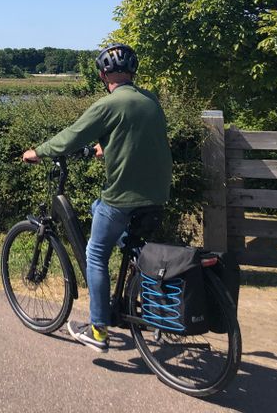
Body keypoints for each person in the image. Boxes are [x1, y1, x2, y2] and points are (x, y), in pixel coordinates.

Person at [22, 43, 172, 353]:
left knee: (95, 252)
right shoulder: (150, 100)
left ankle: (98, 329)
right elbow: (140, 135)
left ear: (104, 75)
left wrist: (39, 151)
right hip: (157, 194)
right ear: (132, 72)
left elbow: (73, 135)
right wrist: (107, 147)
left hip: (123, 197)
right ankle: (154, 309)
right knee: (113, 226)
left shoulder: (110, 104)